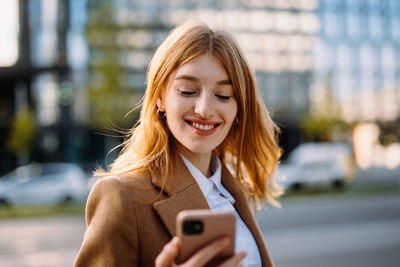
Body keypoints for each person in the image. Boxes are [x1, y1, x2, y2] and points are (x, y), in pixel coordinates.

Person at [74, 20, 282, 267]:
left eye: (223, 95)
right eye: (187, 91)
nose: (204, 109)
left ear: (238, 108)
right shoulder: (122, 198)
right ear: (160, 97)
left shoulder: (236, 193)